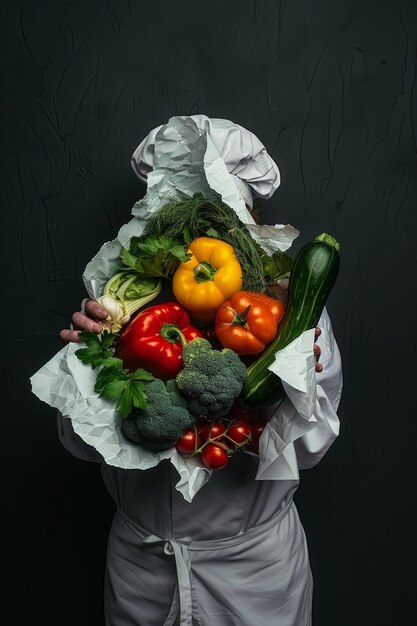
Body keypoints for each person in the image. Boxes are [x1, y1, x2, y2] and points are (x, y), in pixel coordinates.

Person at [58, 116, 342, 626]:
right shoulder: (121, 300)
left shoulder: (294, 311)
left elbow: (314, 450)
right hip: (141, 569)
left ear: (251, 215)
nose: (204, 233)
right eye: (187, 211)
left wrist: (291, 391)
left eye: (224, 213)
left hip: (255, 573)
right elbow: (78, 444)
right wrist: (84, 362)